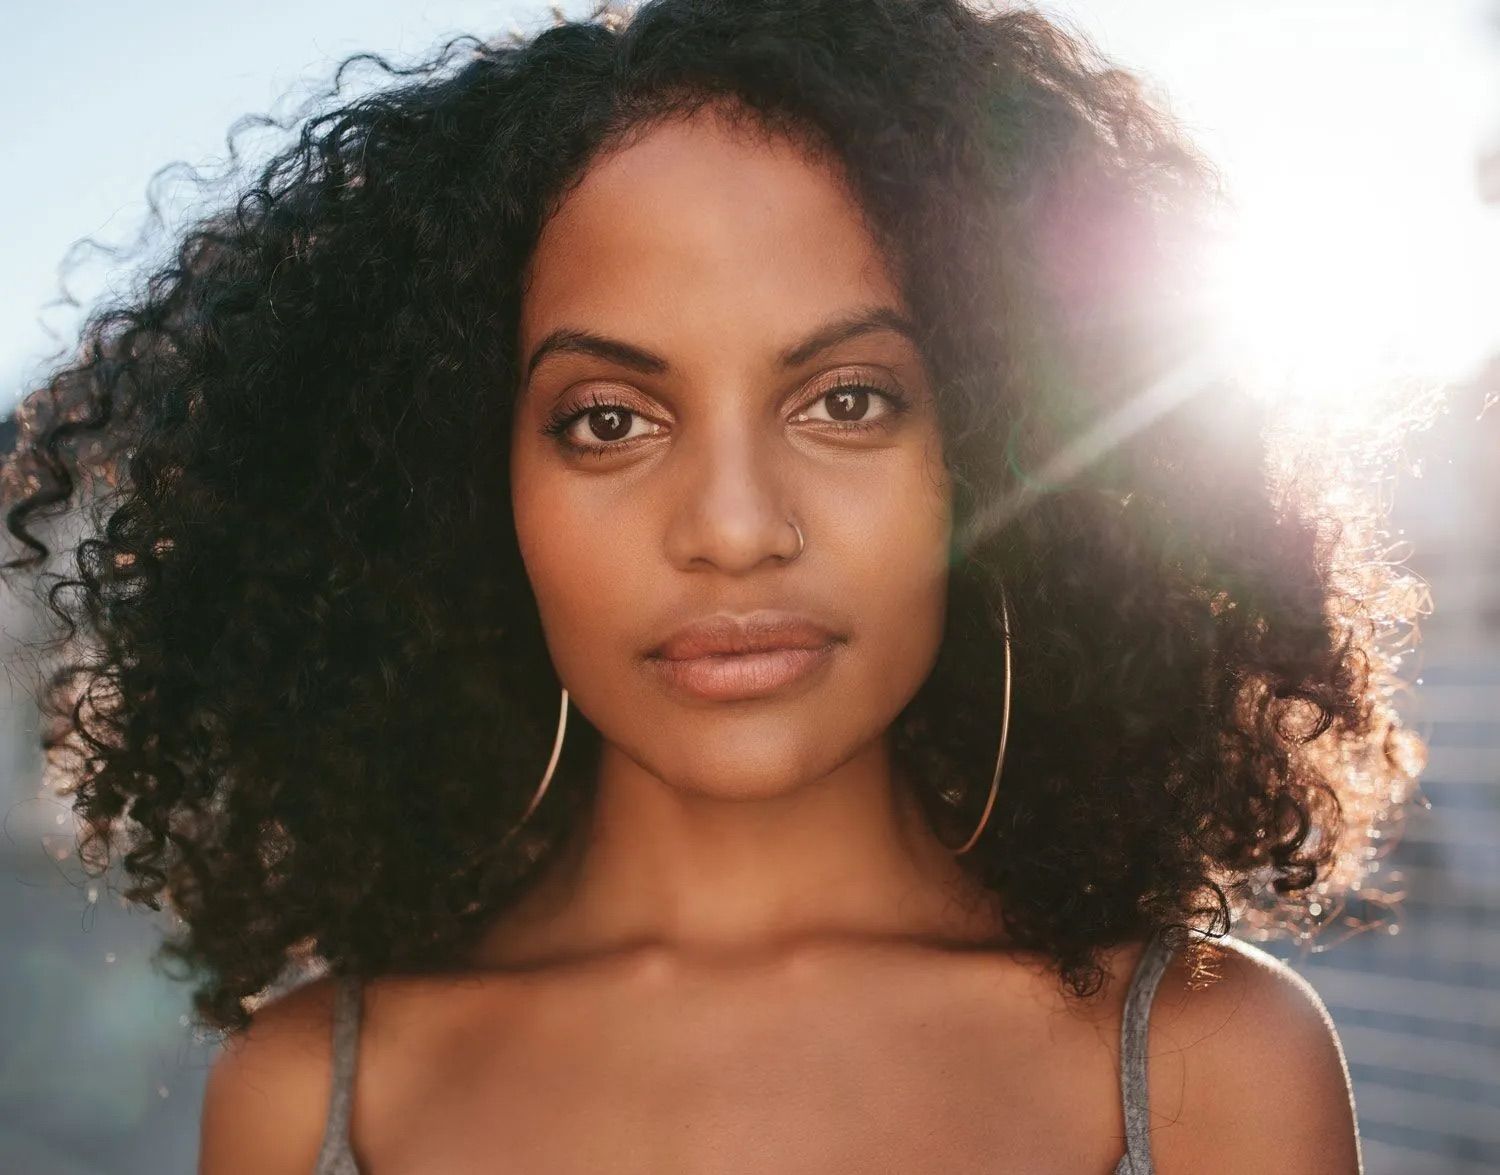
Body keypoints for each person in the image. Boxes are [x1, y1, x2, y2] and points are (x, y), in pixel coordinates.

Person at [0, 0, 1427, 1171]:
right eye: (608, 420)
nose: (735, 529)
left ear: (998, 458)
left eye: (850, 400)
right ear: (459, 495)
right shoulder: (302, 1098)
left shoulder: (1208, 1071)